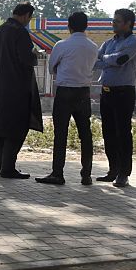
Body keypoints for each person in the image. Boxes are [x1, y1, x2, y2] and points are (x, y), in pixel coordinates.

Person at [36, 11, 98, 186]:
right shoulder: (93, 47)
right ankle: (86, 174)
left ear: (68, 26)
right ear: (86, 26)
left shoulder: (61, 45)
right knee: (85, 134)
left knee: (60, 134)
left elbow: (51, 68)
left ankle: (58, 173)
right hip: (84, 92)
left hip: (65, 91)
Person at [0, 3, 43, 178]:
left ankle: (1, 164)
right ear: (26, 15)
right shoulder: (20, 32)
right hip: (18, 86)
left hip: (1, 85)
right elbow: (26, 59)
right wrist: (35, 54)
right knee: (16, 126)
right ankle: (8, 167)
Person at [95, 8, 136, 188]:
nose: (113, 24)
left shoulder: (135, 42)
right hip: (106, 92)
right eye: (113, 20)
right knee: (108, 133)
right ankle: (112, 170)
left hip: (123, 93)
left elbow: (121, 60)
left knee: (122, 133)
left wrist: (107, 60)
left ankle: (124, 173)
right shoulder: (108, 43)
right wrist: (110, 59)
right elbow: (95, 62)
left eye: (117, 21)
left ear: (128, 23)